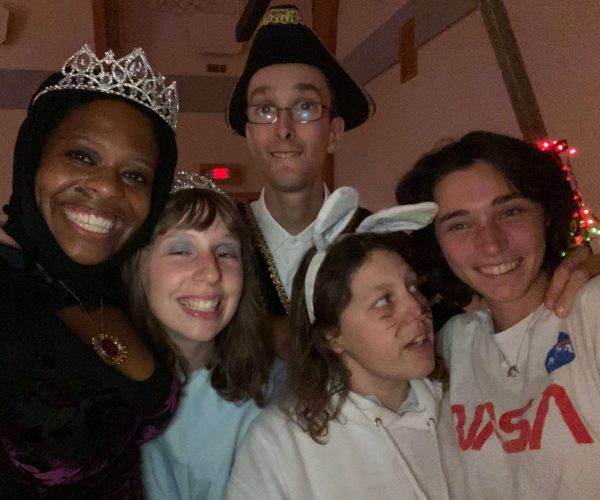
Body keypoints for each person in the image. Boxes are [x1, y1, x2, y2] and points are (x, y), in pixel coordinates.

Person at [0, 44, 180, 497]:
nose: (105, 186)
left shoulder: (129, 288)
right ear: (32, 161)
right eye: (81, 155)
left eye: (136, 175)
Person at [395, 130, 600, 499]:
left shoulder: (592, 311)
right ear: (437, 245)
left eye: (510, 211)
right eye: (459, 224)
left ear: (547, 217)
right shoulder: (452, 344)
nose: (491, 242)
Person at [226, 187, 450, 500]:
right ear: (333, 335)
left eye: (412, 286)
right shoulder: (281, 444)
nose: (418, 308)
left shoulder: (460, 408)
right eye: (385, 300)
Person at [226, 5, 373, 357]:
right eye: (265, 110)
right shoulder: (220, 238)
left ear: (334, 133)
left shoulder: (375, 237)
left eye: (305, 106)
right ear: (250, 137)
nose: (283, 129)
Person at [122, 173, 272, 500]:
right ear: (138, 267)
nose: (211, 272)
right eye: (180, 250)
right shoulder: (99, 395)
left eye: (225, 252)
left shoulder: (274, 391)